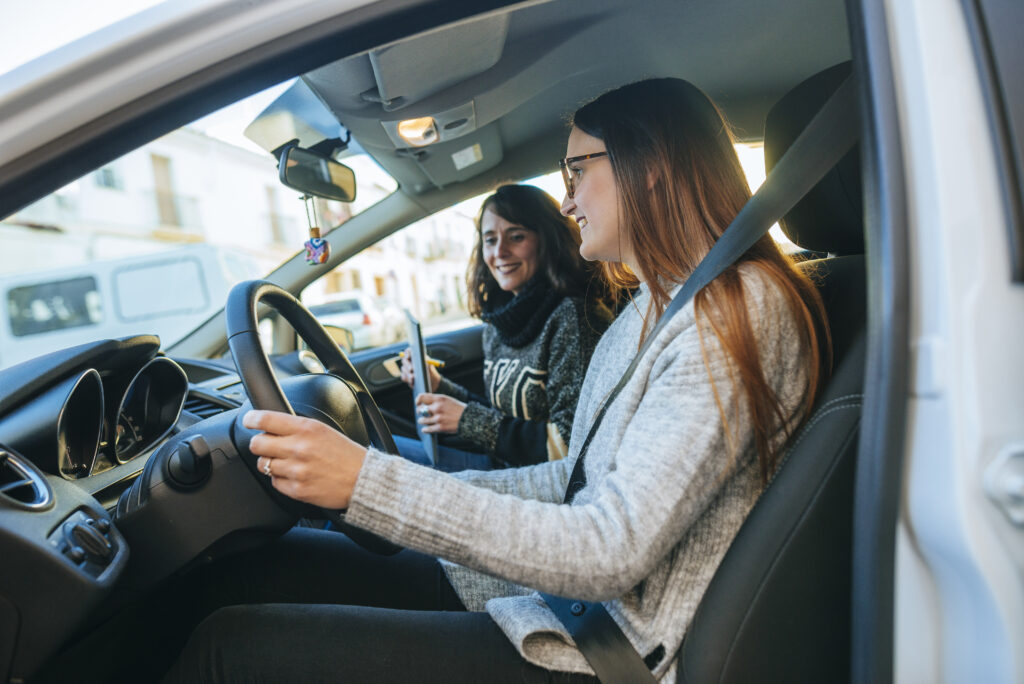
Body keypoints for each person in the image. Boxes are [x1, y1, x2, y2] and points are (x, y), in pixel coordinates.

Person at [163, 77, 830, 683]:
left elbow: (609, 547)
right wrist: (392, 486)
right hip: (565, 604)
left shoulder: (739, 310)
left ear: (649, 166)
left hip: (601, 648)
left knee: (231, 645)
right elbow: (571, 480)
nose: (567, 200)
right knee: (250, 572)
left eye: (577, 170)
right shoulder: (661, 306)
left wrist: (369, 484)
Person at [394, 183, 614, 472]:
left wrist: (465, 419)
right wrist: (438, 386)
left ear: (547, 240)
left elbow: (572, 445)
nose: (500, 251)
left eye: (516, 236)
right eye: (490, 239)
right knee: (378, 447)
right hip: (500, 467)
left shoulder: (575, 317)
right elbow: (507, 417)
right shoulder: (498, 323)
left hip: (540, 485)